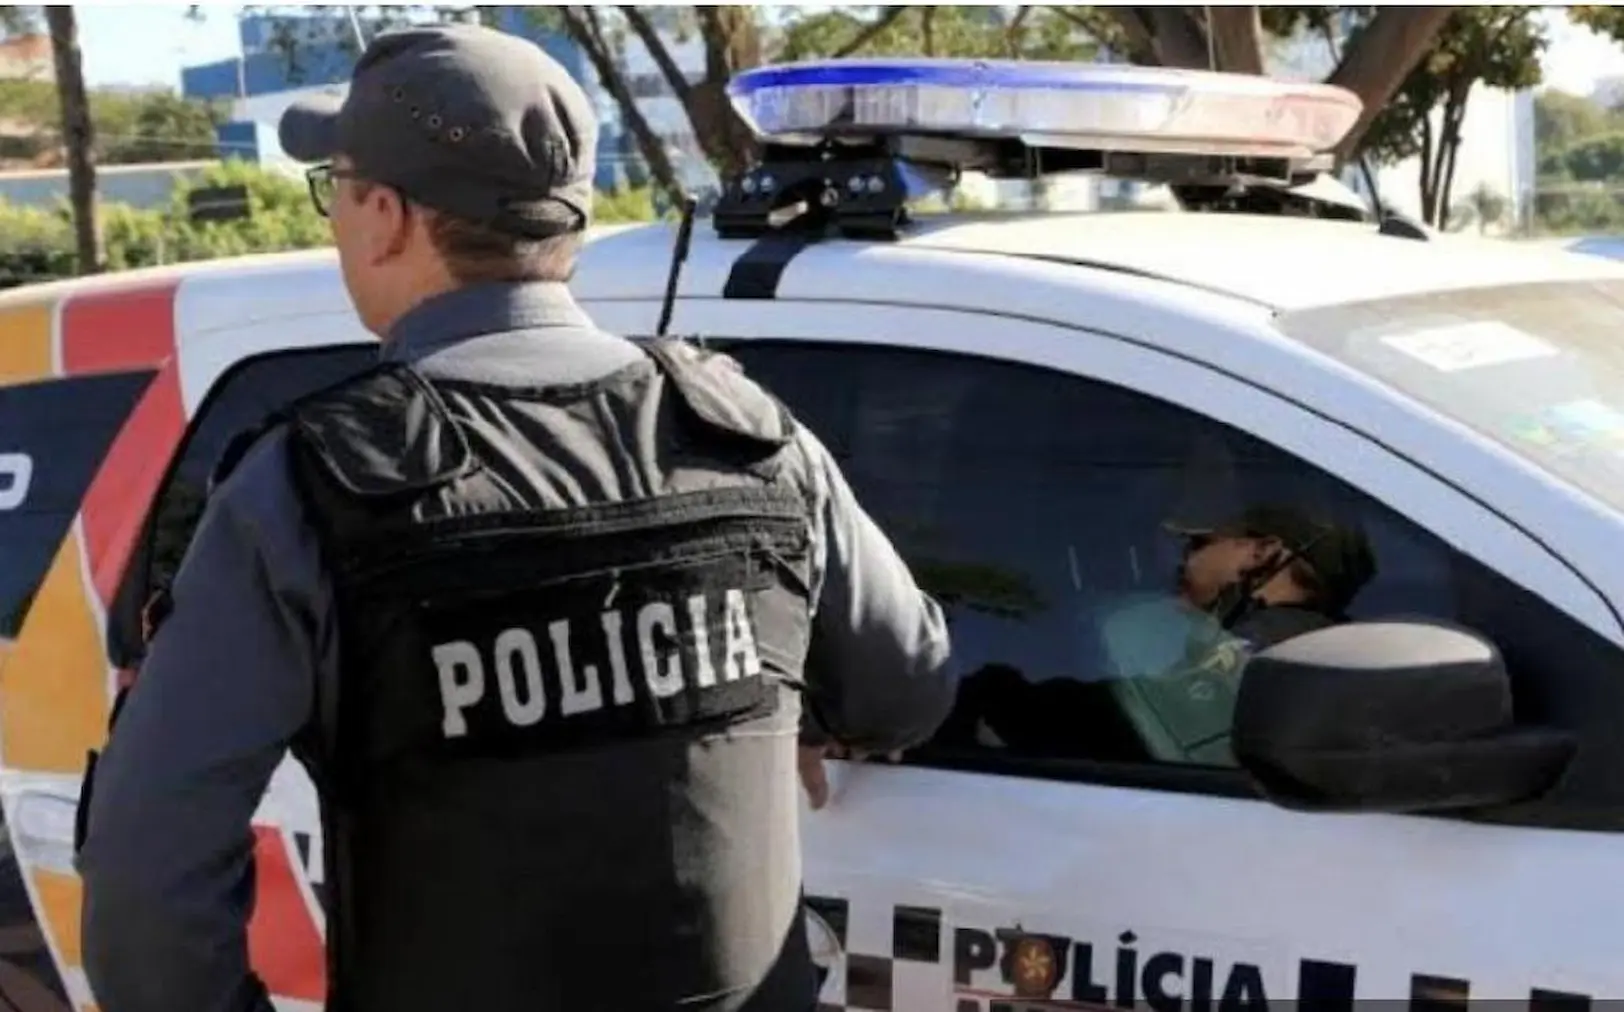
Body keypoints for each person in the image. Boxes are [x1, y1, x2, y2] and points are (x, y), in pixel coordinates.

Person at [75, 23, 954, 1012]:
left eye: (337, 188)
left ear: (383, 215)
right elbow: (905, 686)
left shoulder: (307, 487)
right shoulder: (747, 436)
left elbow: (149, 867)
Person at [937, 503, 1376, 763]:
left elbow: (1122, 724)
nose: (1183, 562)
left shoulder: (1258, 651)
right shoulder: (1325, 644)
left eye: (1197, 544)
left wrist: (994, 691)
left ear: (1261, 552)